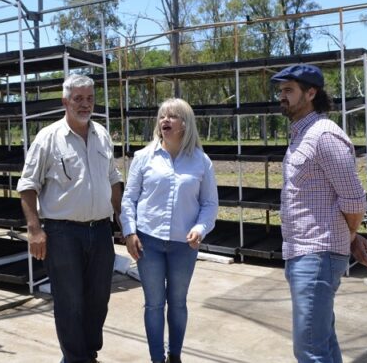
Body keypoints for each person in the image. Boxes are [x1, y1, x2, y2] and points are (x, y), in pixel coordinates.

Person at [271, 64, 367, 363]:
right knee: (323, 344)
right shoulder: (301, 135)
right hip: (304, 253)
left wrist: (350, 235)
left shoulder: (324, 136)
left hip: (315, 257)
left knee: (310, 350)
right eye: (281, 91)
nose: (282, 97)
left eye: (289, 90)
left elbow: (354, 201)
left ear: (311, 92)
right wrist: (350, 238)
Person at [17, 74, 124, 363]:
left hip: (100, 231)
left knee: (98, 298)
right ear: (65, 101)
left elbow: (113, 179)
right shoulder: (48, 138)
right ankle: (76, 358)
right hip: (63, 233)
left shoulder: (101, 134)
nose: (85, 104)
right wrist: (35, 230)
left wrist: (123, 221)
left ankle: (88, 353)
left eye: (89, 98)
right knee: (69, 302)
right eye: (78, 98)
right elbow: (28, 185)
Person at [120, 98, 218, 363]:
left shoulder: (201, 161)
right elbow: (129, 199)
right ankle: (157, 358)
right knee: (153, 303)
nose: (165, 120)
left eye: (172, 116)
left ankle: (175, 355)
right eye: (162, 115)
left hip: (183, 246)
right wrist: (129, 232)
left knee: (177, 303)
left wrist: (200, 228)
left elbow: (209, 204)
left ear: (185, 124)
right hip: (148, 242)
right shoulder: (143, 157)